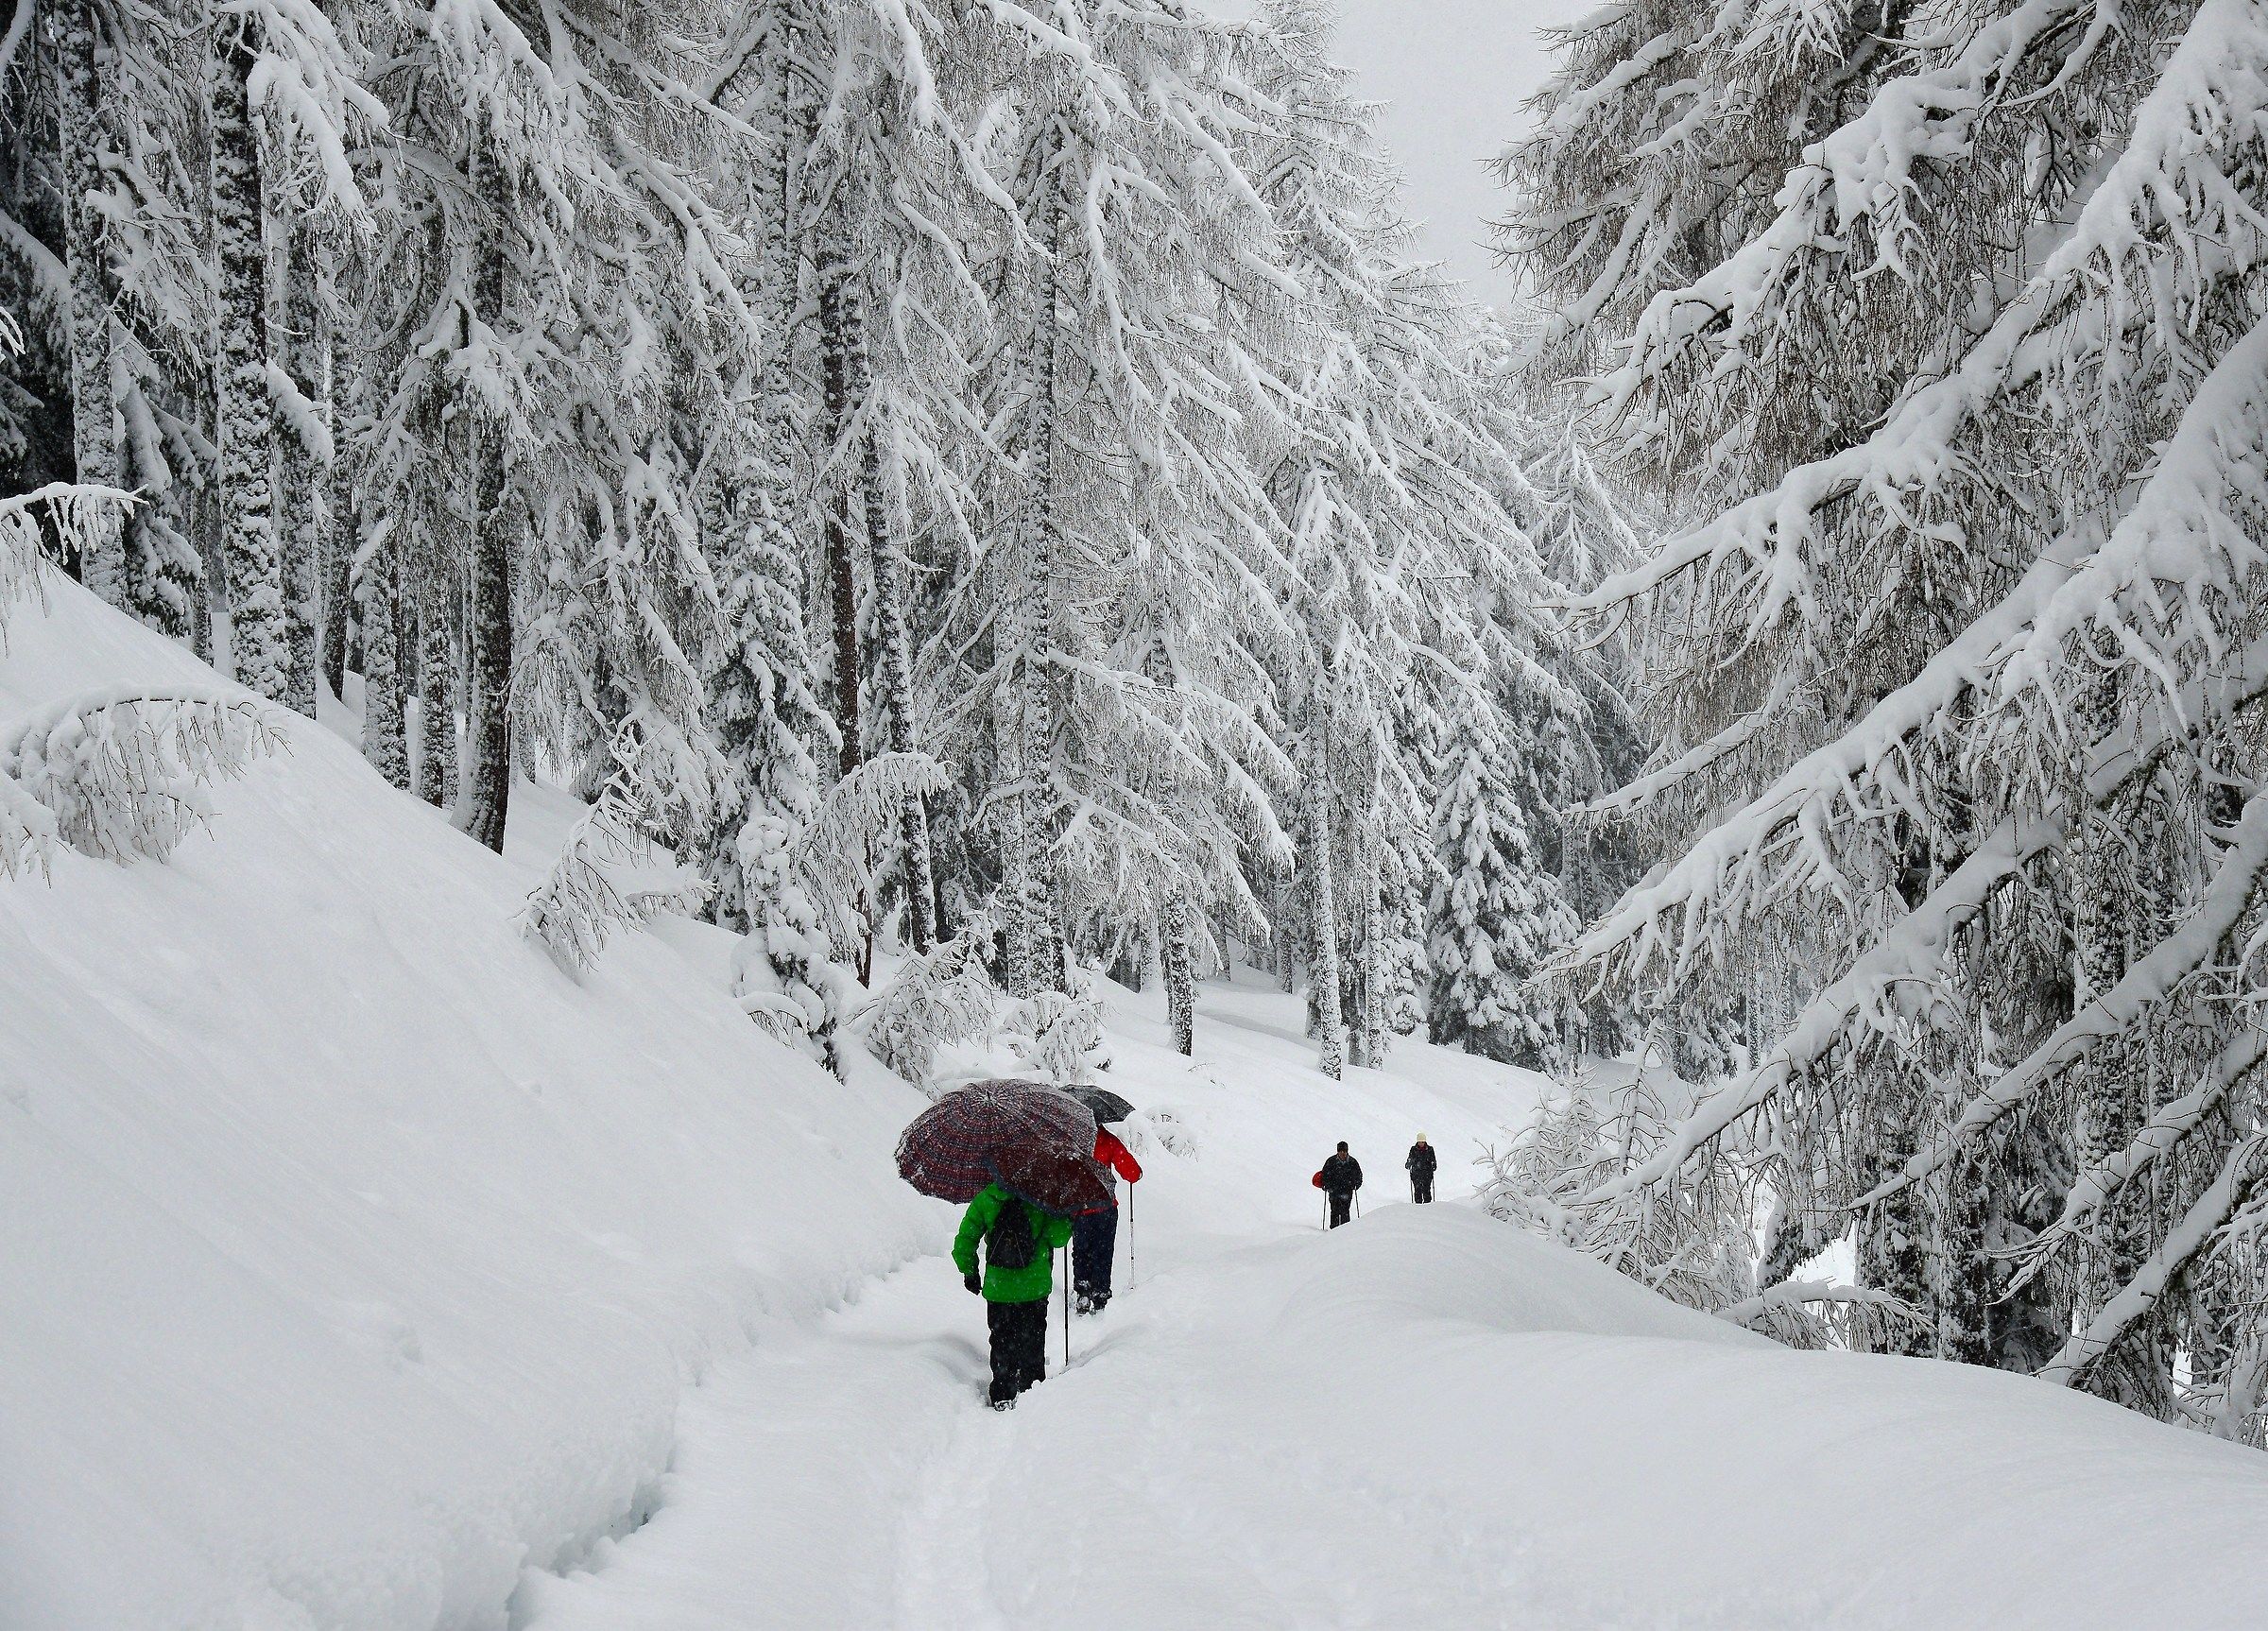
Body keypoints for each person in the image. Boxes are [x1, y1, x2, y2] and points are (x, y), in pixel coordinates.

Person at [953, 1182, 1074, 1408]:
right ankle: (1032, 1390)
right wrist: (1065, 1215)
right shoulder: (1042, 1198)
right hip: (1034, 1288)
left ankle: (1003, 1393)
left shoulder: (987, 1198)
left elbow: (965, 1239)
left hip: (999, 1288)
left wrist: (969, 1271)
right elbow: (1058, 1238)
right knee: (1033, 1341)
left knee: (1002, 1340)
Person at [1074, 1125, 1143, 1315]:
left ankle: (1083, 1291)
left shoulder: (1074, 1139)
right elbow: (1131, 1173)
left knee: (1081, 1250)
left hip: (1080, 1208)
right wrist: (1137, 1172)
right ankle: (1100, 1294)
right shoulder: (1108, 1140)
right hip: (1105, 1208)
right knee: (1103, 1251)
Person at [1316, 1141, 1363, 1228]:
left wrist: (1356, 1184)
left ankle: (1345, 1230)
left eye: (1344, 1151)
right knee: (1334, 1210)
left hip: (1347, 1191)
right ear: (1337, 1151)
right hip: (1334, 1191)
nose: (1342, 1153)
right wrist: (1326, 1185)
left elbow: (1358, 1175)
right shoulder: (1331, 1161)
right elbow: (1325, 1175)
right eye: (1340, 1151)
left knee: (1345, 1211)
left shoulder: (1353, 1162)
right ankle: (1334, 1230)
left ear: (1347, 1151)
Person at [1405, 1133, 1436, 1204]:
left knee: (1426, 1190)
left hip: (1427, 1173)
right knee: (1417, 1190)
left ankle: (1428, 1205)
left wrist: (1433, 1164)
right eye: (1419, 1142)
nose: (1420, 1143)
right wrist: (1409, 1163)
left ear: (1425, 1142)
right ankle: (1418, 1207)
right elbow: (1410, 1159)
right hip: (1416, 1174)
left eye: (1422, 1142)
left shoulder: (1430, 1149)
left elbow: (1433, 1160)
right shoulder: (1413, 1149)